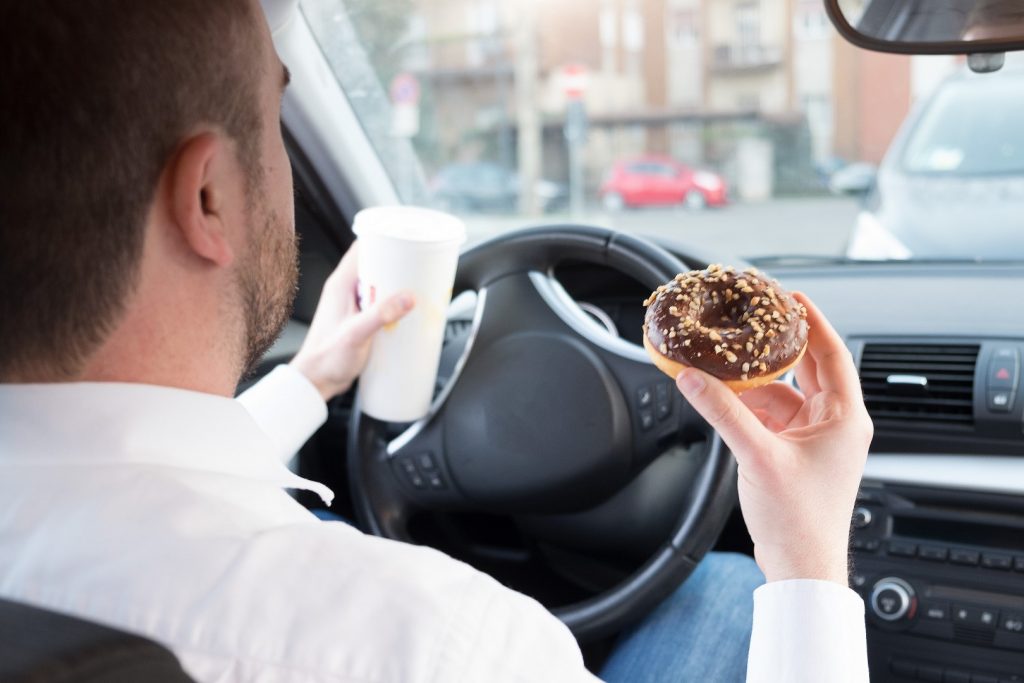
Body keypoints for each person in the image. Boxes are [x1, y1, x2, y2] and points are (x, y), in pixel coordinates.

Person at [0, 1, 873, 681]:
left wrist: (310, 379)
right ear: (208, 200)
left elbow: (117, 481)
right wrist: (806, 560)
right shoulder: (440, 642)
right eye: (276, 116)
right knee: (728, 593)